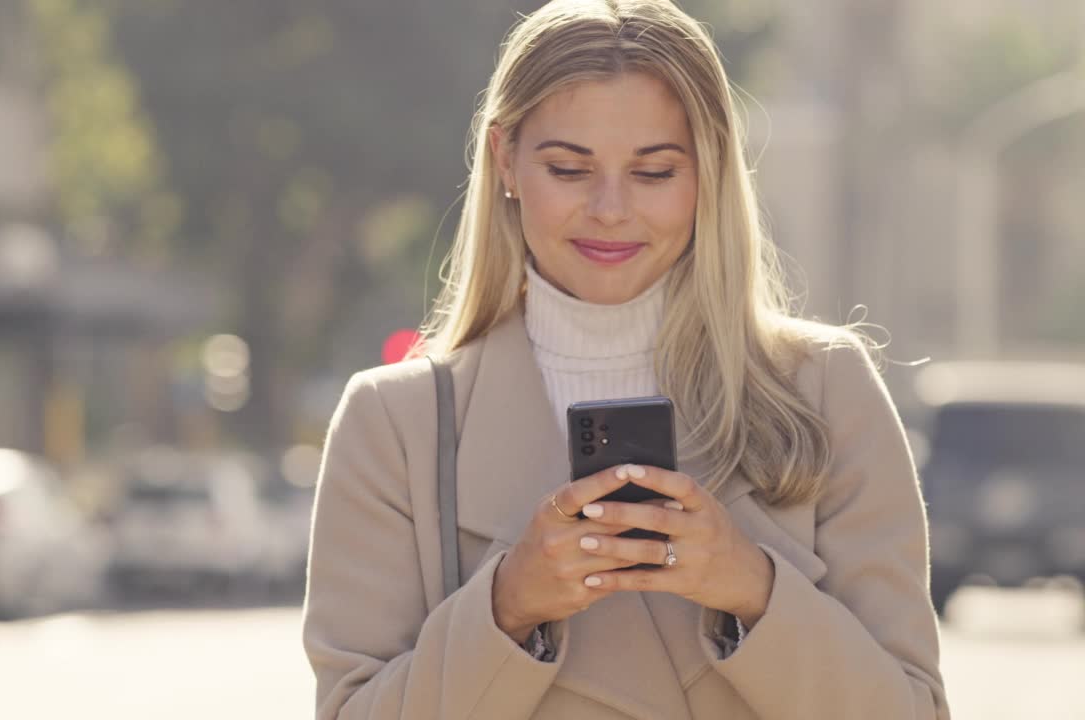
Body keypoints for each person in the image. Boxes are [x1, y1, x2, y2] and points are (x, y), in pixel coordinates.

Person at [302, 0, 950, 717]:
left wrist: (753, 589)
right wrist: (507, 606)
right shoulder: (396, 424)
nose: (611, 210)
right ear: (505, 161)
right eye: (570, 169)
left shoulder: (826, 391)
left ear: (709, 174)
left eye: (654, 172)